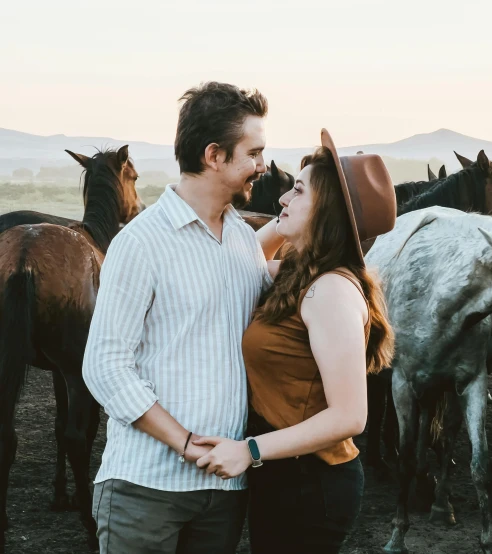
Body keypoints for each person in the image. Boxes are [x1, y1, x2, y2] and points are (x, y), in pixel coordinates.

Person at [82, 81, 284, 553]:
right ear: (214, 155)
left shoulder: (240, 239)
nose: (261, 166)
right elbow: (105, 366)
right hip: (144, 489)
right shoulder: (141, 241)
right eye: (253, 152)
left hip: (224, 491)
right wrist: (186, 442)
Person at [192, 129, 397, 553]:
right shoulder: (300, 275)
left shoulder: (331, 292)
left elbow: (349, 417)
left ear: (329, 212)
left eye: (298, 192)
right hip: (286, 473)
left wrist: (248, 451)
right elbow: (238, 261)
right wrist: (290, 223)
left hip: (311, 483)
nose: (282, 199)